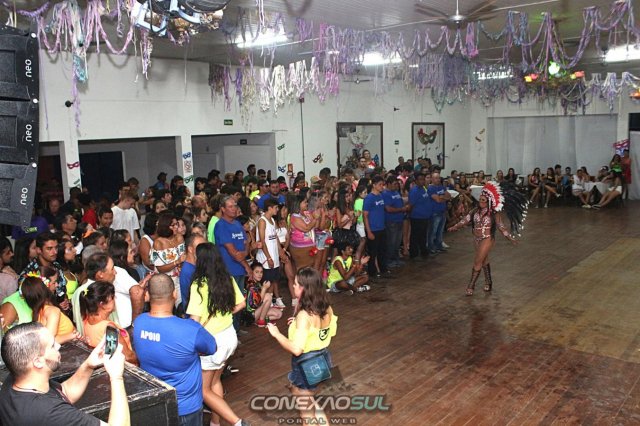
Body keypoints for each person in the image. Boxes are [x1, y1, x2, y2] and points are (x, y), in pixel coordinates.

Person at [0, 322, 130, 425]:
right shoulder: (50, 413)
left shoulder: (16, 381)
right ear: (38, 362)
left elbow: (64, 393)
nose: (58, 347)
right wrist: (116, 377)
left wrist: (88, 365)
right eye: (52, 346)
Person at [133, 274, 217, 426]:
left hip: (155, 404)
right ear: (174, 294)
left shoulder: (138, 323)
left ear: (148, 295)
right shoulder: (190, 329)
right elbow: (212, 347)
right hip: (186, 407)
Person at [186, 243, 247, 426]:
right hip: (229, 337)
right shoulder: (226, 278)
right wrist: (225, 313)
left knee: (203, 390)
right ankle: (215, 422)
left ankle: (237, 422)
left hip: (211, 343)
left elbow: (194, 321)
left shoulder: (199, 285)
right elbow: (241, 303)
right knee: (215, 382)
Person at [266, 267, 338, 424]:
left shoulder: (304, 316)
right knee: (309, 400)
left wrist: (277, 334)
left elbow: (296, 349)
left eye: (296, 284)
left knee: (306, 414)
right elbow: (327, 332)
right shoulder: (327, 308)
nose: (293, 286)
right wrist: (297, 325)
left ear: (304, 288)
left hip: (307, 363)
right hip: (324, 358)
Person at [448, 182, 524, 295]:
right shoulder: (474, 211)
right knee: (484, 260)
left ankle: (471, 286)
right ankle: (489, 281)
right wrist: (455, 226)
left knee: (477, 261)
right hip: (476, 239)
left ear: (489, 201)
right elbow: (465, 220)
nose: (481, 202)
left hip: (487, 239)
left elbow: (501, 226)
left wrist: (509, 237)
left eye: (483, 200)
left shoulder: (494, 213)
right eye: (480, 200)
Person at [79, 281, 138, 364]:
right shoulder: (109, 328)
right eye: (112, 297)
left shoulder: (87, 319)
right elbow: (125, 356)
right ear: (102, 304)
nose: (115, 299)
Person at [20, 276, 78, 344]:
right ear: (44, 290)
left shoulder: (36, 313)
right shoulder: (52, 311)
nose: (57, 285)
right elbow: (49, 340)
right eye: (54, 283)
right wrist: (73, 335)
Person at [255, 198, 287, 309]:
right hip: (265, 257)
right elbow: (262, 241)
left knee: (274, 280)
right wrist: (268, 258)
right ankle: (266, 303)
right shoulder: (262, 221)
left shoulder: (272, 220)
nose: (277, 210)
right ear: (269, 208)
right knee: (267, 281)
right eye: (276, 208)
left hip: (274, 255)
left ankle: (272, 300)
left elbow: (275, 238)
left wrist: (281, 252)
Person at [363, 176, 388, 277]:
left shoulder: (380, 196)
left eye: (382, 184)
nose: (382, 186)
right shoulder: (369, 198)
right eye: (380, 185)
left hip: (382, 227)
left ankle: (383, 270)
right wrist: (369, 231)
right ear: (374, 185)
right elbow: (365, 215)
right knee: (373, 253)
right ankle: (372, 273)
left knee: (382, 250)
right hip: (373, 229)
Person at [245, 262, 283, 327]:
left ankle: (259, 320)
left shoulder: (258, 283)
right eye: (257, 272)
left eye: (261, 272)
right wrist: (264, 288)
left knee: (279, 314)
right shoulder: (250, 285)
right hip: (250, 315)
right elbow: (257, 304)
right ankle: (261, 321)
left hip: (257, 311)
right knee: (268, 296)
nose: (259, 274)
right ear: (251, 272)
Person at [179, 233, 207, 311]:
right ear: (190, 249)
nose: (204, 250)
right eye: (200, 247)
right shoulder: (188, 271)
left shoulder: (198, 265)